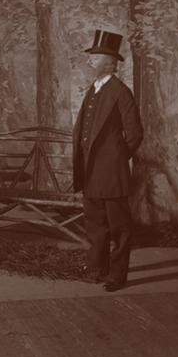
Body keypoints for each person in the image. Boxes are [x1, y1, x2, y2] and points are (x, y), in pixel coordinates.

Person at [72, 29, 143, 292]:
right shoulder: (93, 89)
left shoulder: (120, 92)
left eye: (95, 56)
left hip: (112, 174)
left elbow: (135, 134)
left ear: (110, 63)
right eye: (91, 56)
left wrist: (116, 160)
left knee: (119, 228)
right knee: (95, 225)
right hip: (90, 172)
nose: (90, 60)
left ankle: (117, 275)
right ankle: (97, 269)